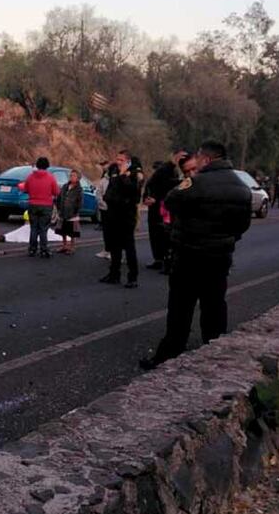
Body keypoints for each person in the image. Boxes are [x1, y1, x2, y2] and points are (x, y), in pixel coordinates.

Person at [140, 141, 252, 369]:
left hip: (189, 255)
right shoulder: (242, 187)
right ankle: (215, 353)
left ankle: (170, 354)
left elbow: (170, 200)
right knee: (215, 307)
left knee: (181, 308)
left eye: (199, 159)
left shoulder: (196, 183)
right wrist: (225, 241)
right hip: (220, 257)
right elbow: (242, 225)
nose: (197, 164)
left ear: (207, 159)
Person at [100, 150, 141, 288]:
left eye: (121, 160)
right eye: (117, 159)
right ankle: (114, 274)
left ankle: (132, 277)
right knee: (114, 247)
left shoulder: (134, 175)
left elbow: (133, 193)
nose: (118, 162)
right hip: (113, 214)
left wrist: (123, 176)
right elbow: (109, 192)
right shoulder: (114, 173)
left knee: (129, 248)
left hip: (126, 216)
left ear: (128, 162)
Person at [144, 152, 185, 273]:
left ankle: (169, 262)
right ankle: (159, 259)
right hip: (155, 210)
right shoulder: (154, 180)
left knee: (167, 236)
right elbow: (149, 188)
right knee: (155, 235)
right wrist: (147, 198)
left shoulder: (174, 180)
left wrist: (171, 164)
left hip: (167, 210)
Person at [24, 156, 60, 258]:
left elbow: (25, 189)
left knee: (34, 228)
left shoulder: (30, 177)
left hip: (33, 204)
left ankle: (32, 249)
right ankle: (44, 250)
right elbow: (56, 192)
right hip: (46, 205)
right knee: (43, 229)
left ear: (37, 165)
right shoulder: (50, 177)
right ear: (47, 166)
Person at [56, 170, 84, 254]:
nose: (71, 177)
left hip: (72, 213)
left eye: (74, 176)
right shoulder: (65, 186)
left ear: (78, 178)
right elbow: (59, 197)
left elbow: (80, 201)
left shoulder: (79, 189)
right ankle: (64, 245)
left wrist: (76, 211)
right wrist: (58, 207)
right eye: (71, 175)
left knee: (72, 231)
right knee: (62, 230)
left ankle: (72, 247)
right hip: (63, 211)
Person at [96, 162, 119, 260]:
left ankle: (114, 251)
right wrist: (103, 204)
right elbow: (98, 193)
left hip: (115, 210)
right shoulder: (103, 180)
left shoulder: (119, 180)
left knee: (114, 232)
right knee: (106, 231)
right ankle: (107, 249)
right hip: (104, 209)